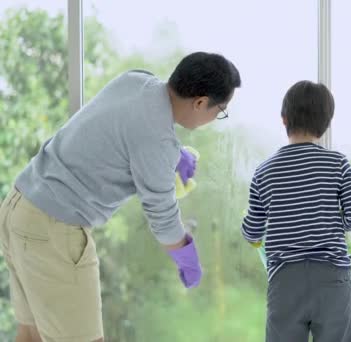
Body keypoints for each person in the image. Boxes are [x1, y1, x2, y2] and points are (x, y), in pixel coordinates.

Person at [0, 51, 241, 342]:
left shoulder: (137, 80)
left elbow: (124, 127)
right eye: (221, 110)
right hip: (53, 230)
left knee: (31, 334)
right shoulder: (157, 141)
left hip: (19, 207)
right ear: (201, 102)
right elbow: (162, 219)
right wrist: (186, 256)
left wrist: (174, 155)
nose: (217, 117)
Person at [241, 80, 351, 342]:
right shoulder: (337, 163)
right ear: (326, 124)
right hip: (332, 278)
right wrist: (328, 221)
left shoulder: (264, 171)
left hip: (285, 281)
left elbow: (252, 231)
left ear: (284, 119)